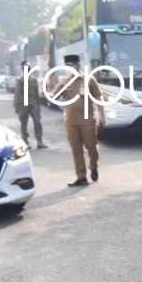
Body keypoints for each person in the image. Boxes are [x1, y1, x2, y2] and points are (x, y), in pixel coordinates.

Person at [50, 54, 105, 187]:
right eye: (67, 66)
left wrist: (102, 116)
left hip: (87, 121)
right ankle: (81, 177)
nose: (69, 68)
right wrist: (45, 92)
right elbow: (53, 96)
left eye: (71, 65)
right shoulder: (63, 82)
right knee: (76, 149)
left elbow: (98, 98)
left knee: (92, 147)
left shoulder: (89, 80)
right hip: (70, 122)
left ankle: (94, 166)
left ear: (78, 65)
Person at [13, 60, 47, 149]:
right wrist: (16, 105)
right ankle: (25, 141)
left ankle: (39, 141)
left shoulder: (34, 80)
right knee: (24, 124)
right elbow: (17, 93)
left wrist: (39, 105)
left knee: (37, 122)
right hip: (23, 104)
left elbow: (36, 93)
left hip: (33, 103)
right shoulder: (20, 80)